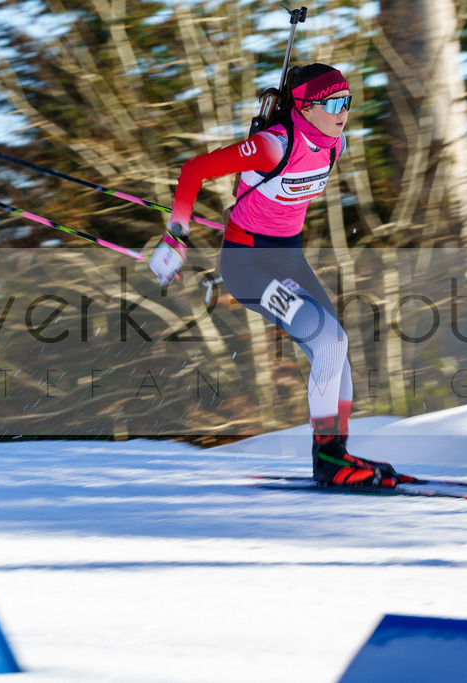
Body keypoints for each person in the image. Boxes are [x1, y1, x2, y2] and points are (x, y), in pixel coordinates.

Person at [149, 63, 407, 487]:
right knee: (329, 338)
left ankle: (336, 452)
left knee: (335, 348)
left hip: (288, 258)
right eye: (333, 103)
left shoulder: (335, 145)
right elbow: (194, 170)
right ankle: (327, 458)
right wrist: (176, 236)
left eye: (348, 101)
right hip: (248, 265)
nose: (344, 112)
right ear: (304, 107)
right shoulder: (273, 145)